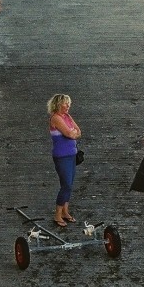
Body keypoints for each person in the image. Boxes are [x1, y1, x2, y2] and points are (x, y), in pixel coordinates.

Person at [47, 94, 82, 227]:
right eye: (65, 104)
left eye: (69, 103)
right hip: (62, 156)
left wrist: (73, 132)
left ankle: (65, 212)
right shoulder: (56, 118)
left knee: (69, 184)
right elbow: (70, 134)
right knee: (66, 185)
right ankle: (57, 215)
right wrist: (72, 132)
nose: (68, 106)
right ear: (58, 104)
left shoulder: (67, 117)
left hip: (72, 154)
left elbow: (78, 132)